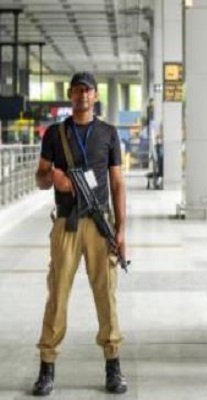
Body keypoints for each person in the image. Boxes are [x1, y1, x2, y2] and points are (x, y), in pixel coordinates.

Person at [32, 72, 128, 396]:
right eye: (77, 90)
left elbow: (117, 183)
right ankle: (47, 367)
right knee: (57, 294)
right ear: (70, 94)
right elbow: (40, 178)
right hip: (66, 224)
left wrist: (121, 230)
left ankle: (113, 366)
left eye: (87, 91)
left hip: (100, 224)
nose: (82, 95)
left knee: (106, 295)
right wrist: (54, 178)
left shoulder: (108, 133)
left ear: (96, 96)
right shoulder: (55, 134)